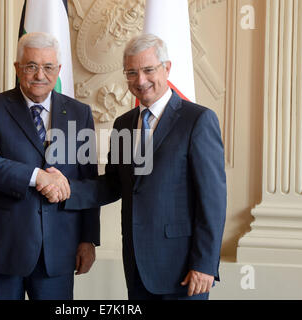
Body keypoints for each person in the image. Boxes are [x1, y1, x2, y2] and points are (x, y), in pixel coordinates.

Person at [38, 33, 226, 300]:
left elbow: (213, 199)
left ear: (167, 68)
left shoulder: (198, 120)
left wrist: (205, 264)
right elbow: (114, 184)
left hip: (184, 268)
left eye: (149, 70)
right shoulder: (124, 124)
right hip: (138, 266)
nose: (141, 80)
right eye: (131, 72)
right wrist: (67, 188)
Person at [0, 32, 100, 300]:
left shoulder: (79, 113)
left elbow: (89, 180)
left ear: (58, 70)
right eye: (31, 66)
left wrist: (88, 239)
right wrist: (36, 176)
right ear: (18, 69)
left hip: (59, 251)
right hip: (3, 250)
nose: (40, 74)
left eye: (48, 67)